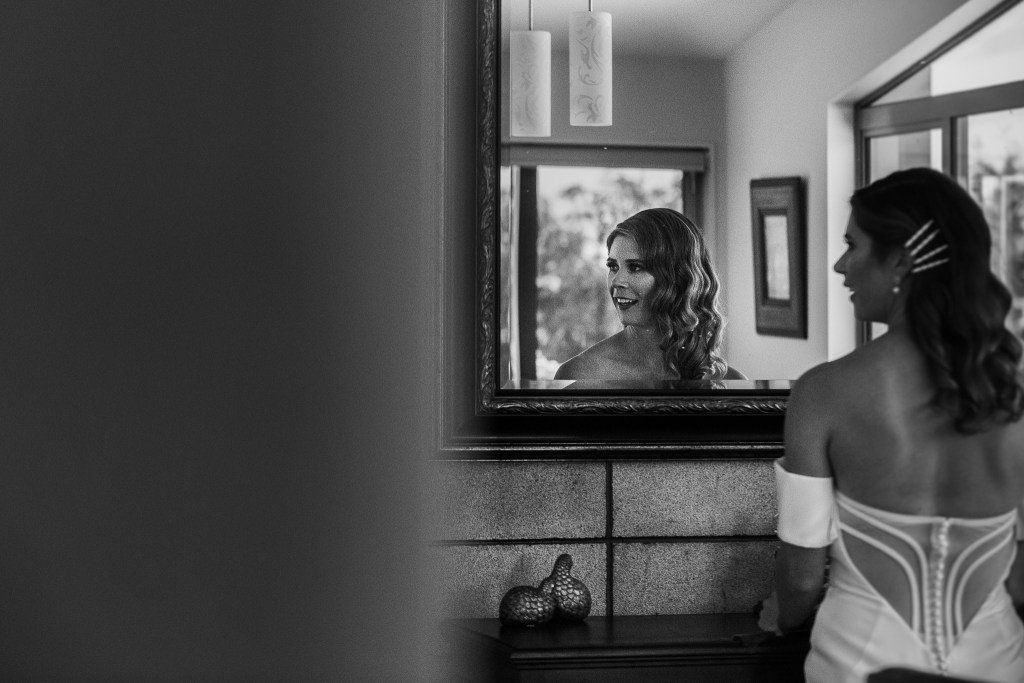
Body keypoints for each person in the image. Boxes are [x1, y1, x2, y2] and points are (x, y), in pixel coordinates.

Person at [772, 167, 1024, 681]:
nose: (841, 265)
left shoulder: (824, 391)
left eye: (853, 244)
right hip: (996, 664)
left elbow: (801, 578)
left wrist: (781, 616)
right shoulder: (1009, 388)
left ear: (903, 260)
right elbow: (1019, 579)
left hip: (857, 665)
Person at [553, 208, 745, 381]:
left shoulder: (732, 381)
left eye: (635, 267)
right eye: (613, 267)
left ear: (678, 278)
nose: (617, 281)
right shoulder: (580, 375)